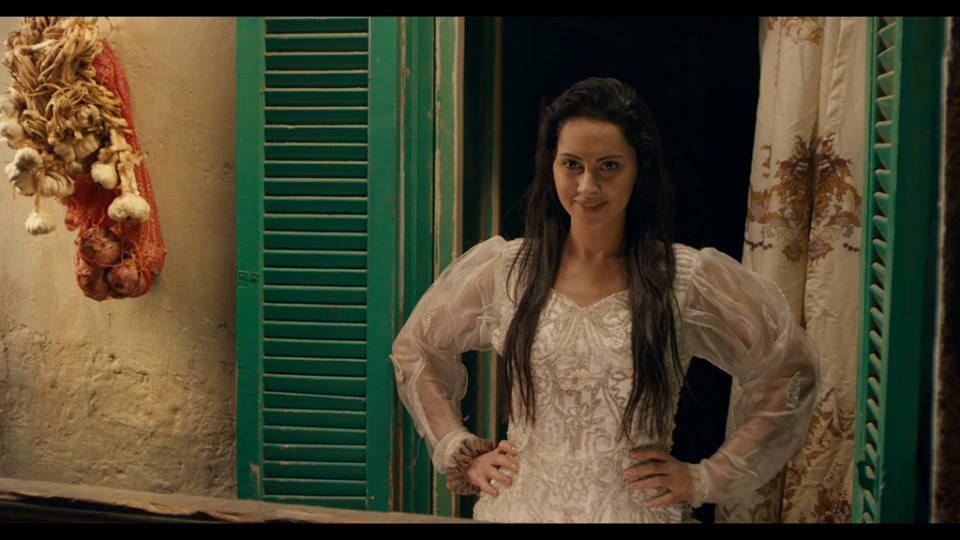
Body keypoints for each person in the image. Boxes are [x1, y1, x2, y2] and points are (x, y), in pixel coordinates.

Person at [389, 77, 819, 523]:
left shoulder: (683, 279)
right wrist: (461, 450)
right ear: (551, 166)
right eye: (571, 165)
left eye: (608, 166)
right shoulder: (508, 271)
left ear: (639, 170)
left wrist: (706, 477)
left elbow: (790, 370)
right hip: (518, 511)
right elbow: (415, 349)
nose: (587, 185)